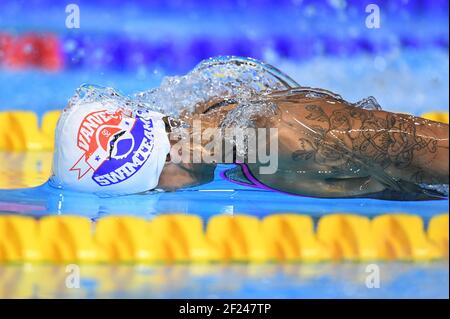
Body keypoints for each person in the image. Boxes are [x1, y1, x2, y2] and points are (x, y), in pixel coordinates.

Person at [50, 59, 449, 199]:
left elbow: (429, 148)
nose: (163, 193)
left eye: (153, 188)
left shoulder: (283, 137)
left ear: (173, 155)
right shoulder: (203, 114)